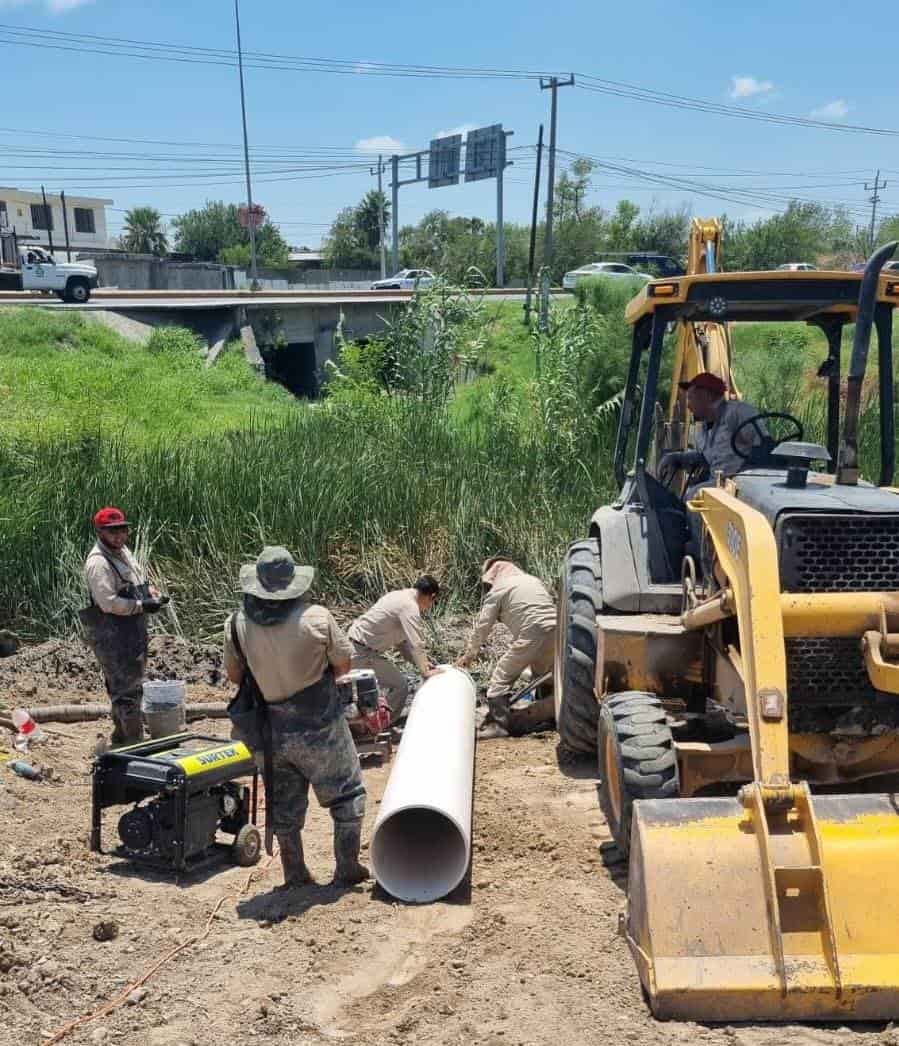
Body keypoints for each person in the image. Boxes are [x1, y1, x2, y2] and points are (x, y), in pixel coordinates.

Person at [223, 547, 368, 888]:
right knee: (347, 794)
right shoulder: (317, 617)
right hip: (319, 725)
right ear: (294, 584)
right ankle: (347, 867)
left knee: (284, 805)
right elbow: (344, 665)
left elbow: (234, 675)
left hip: (269, 732)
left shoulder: (235, 624)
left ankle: (294, 873)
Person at [82, 507, 166, 747]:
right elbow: (107, 603)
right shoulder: (98, 563)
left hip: (131, 630)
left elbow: (137, 578)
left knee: (131, 685)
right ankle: (133, 742)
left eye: (122, 530)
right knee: (125, 691)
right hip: (113, 634)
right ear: (100, 532)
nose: (119, 536)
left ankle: (122, 737)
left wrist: (151, 593)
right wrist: (141, 605)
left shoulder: (123, 551)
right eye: (112, 532)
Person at [456, 558, 557, 740]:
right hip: (557, 631)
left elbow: (483, 626)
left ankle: (500, 725)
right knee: (545, 676)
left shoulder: (499, 589)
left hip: (532, 631)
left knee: (501, 676)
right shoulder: (533, 580)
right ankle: (553, 716)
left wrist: (469, 655)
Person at [347, 576, 442, 722]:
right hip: (362, 652)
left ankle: (372, 721)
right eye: (432, 602)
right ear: (431, 596)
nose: (429, 607)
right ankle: (380, 724)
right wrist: (425, 671)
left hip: (357, 647)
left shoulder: (399, 596)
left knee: (370, 694)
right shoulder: (410, 607)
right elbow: (415, 643)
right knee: (400, 686)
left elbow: (402, 644)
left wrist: (423, 664)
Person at [658, 372, 764, 492]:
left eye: (691, 398)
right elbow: (707, 459)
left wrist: (741, 476)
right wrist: (676, 457)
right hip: (718, 485)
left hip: (741, 487)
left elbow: (763, 448)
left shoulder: (738, 412)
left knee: (693, 495)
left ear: (706, 396)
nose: (688, 406)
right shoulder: (703, 430)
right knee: (690, 495)